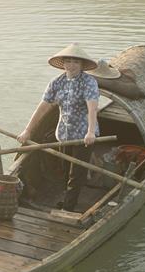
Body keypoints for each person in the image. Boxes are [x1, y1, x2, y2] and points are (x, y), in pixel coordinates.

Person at [18, 43, 99, 212]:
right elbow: (42, 107)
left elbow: (92, 107)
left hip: (83, 135)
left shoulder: (89, 82)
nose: (71, 65)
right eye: (68, 61)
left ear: (82, 65)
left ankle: (68, 208)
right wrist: (28, 130)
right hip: (63, 134)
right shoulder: (57, 83)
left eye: (75, 62)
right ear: (63, 64)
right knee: (64, 169)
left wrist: (91, 131)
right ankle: (67, 197)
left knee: (76, 174)